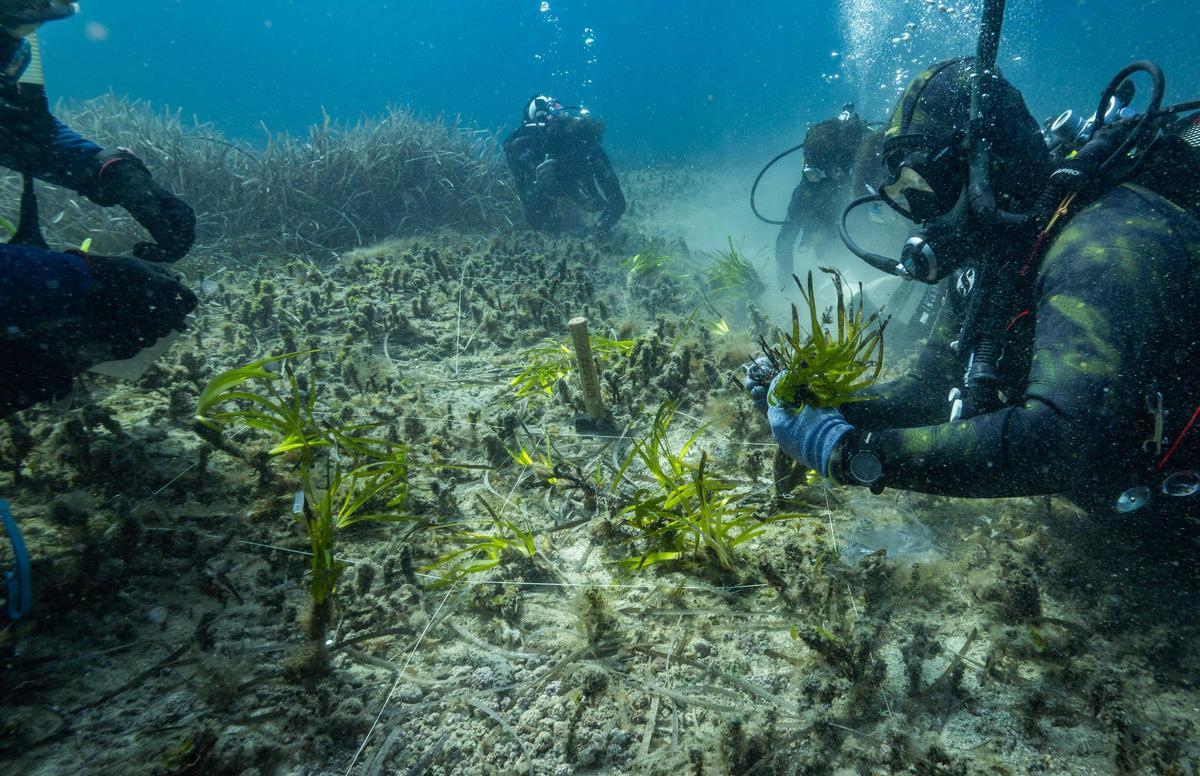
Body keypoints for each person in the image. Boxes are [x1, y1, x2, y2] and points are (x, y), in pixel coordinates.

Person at [748, 58, 1200, 526]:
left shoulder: (1103, 247)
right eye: (902, 190)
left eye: (926, 185)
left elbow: (1061, 438)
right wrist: (822, 407)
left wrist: (851, 454)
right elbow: (930, 387)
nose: (919, 214)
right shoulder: (998, 253)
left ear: (988, 168)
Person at [0, 2, 197, 418]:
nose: (27, 23)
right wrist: (80, 279)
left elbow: (23, 132)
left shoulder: (13, 43)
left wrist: (113, 172)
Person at [772, 106, 883, 288]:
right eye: (811, 171)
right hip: (835, 239)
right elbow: (785, 239)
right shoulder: (811, 185)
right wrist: (786, 285)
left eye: (821, 172)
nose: (816, 179)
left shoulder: (870, 163)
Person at [503, 94, 626, 234]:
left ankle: (579, 222)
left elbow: (530, 205)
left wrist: (536, 186)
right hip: (576, 173)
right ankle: (594, 227)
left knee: (545, 212)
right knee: (599, 202)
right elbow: (618, 205)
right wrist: (597, 230)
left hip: (560, 183)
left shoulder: (525, 140)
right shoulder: (583, 138)